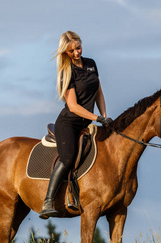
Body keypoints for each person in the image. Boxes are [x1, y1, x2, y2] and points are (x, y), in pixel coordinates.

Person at [39, 31, 112, 219]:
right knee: (68, 158)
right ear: (65, 52)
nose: (76, 53)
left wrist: (105, 117)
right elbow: (73, 106)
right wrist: (97, 118)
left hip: (89, 122)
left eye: (78, 48)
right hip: (69, 123)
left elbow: (99, 93)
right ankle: (48, 201)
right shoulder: (67, 71)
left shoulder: (91, 64)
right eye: (71, 51)